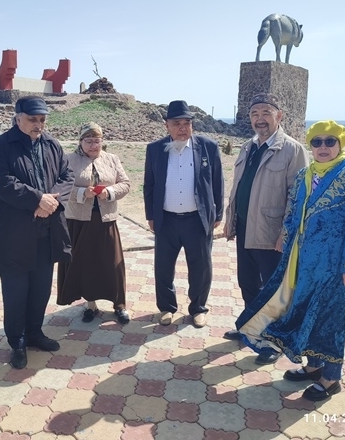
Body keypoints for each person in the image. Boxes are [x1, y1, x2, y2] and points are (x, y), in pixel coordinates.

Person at [236, 120, 345, 401]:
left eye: (330, 141)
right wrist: (285, 241)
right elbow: (292, 214)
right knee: (306, 312)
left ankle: (331, 378)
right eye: (317, 142)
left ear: (341, 144)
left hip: (333, 266)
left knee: (329, 319)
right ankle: (314, 367)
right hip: (300, 261)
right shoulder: (304, 175)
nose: (323, 147)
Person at [0, 95, 74, 369]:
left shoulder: (52, 144)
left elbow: (67, 177)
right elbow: (3, 183)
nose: (38, 124)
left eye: (42, 119)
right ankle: (17, 342)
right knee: (15, 293)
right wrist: (38, 200)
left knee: (40, 289)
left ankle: (35, 332)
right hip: (15, 235)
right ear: (18, 118)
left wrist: (51, 202)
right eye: (32, 119)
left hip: (47, 234)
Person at [222, 93, 308, 358]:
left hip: (272, 234)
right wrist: (230, 220)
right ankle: (251, 328)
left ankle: (273, 341)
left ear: (279, 116)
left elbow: (298, 196)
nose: (259, 119)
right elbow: (238, 187)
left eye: (265, 113)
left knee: (273, 289)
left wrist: (286, 232)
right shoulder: (247, 147)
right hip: (245, 228)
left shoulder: (292, 150)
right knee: (247, 282)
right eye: (254, 114)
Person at [143, 100, 224, 328]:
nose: (182, 128)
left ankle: (198, 308)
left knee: (201, 267)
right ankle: (167, 307)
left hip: (197, 219)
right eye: (177, 123)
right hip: (166, 219)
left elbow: (218, 183)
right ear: (167, 125)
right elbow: (149, 185)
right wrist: (151, 215)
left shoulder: (208, 147)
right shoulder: (155, 149)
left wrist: (217, 214)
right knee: (163, 266)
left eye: (186, 123)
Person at [57, 123, 131, 324]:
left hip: (106, 220)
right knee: (85, 264)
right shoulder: (68, 160)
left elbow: (125, 184)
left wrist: (110, 192)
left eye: (97, 141)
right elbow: (61, 187)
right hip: (79, 221)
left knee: (113, 264)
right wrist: (82, 193)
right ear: (80, 142)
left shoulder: (112, 159)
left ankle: (119, 305)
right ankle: (91, 305)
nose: (93, 145)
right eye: (88, 141)